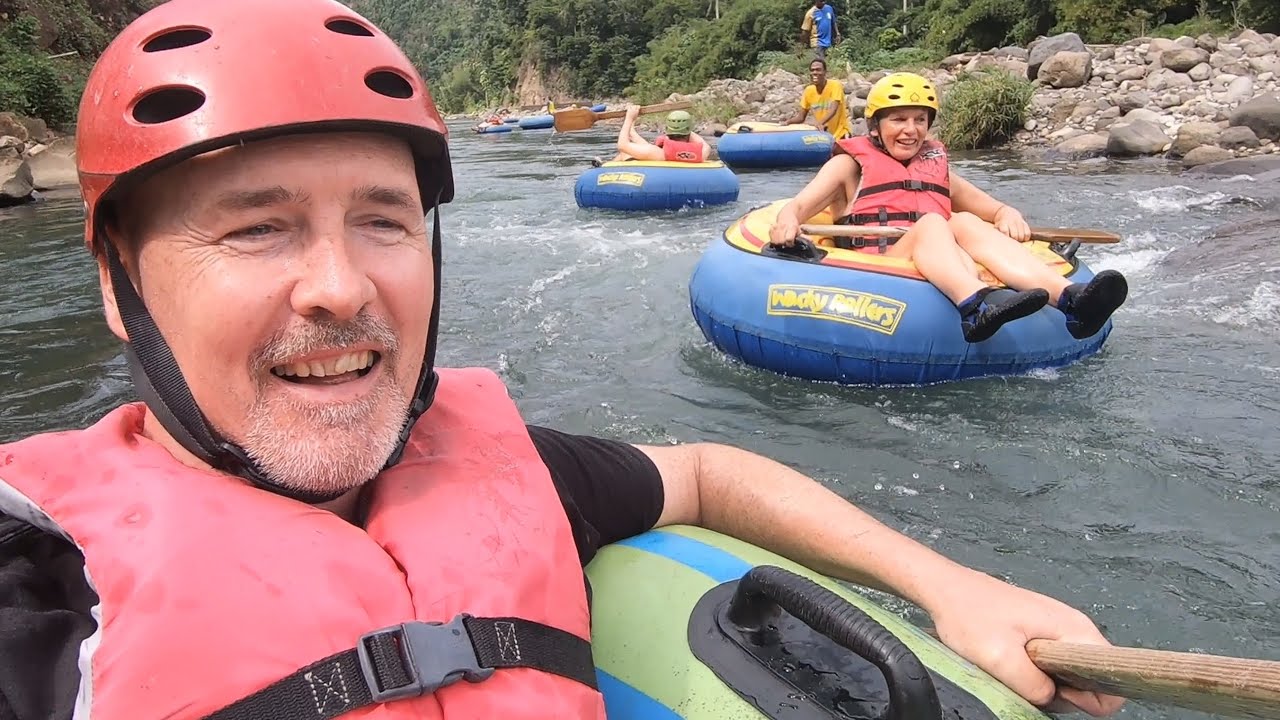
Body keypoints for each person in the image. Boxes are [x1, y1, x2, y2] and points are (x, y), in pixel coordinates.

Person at [0, 2, 1126, 719]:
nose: (340, 287)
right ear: (119, 286)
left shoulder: (510, 471)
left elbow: (702, 472)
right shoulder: (36, 593)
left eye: (385, 222)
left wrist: (946, 585)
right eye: (257, 228)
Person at [769, 72, 1129, 343]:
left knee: (965, 220)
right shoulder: (848, 166)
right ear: (875, 127)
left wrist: (1009, 215)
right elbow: (797, 207)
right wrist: (787, 221)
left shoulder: (935, 167)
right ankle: (975, 307)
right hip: (880, 270)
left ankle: (1071, 302)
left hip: (941, 259)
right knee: (934, 223)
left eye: (920, 120)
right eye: (898, 119)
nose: (911, 130)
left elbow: (994, 209)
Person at [595, 104, 711, 166]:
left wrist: (629, 118)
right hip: (673, 170)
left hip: (656, 169)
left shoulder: (657, 153)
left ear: (667, 130)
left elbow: (622, 145)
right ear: (689, 131)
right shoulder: (701, 153)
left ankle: (606, 167)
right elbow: (705, 145)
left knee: (624, 153)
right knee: (640, 147)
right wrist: (632, 128)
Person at [781, 57, 852, 139]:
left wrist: (820, 123)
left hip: (840, 133)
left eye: (818, 70)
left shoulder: (835, 85)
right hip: (824, 134)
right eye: (812, 70)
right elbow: (801, 117)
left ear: (825, 72)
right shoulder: (808, 90)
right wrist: (787, 122)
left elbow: (833, 109)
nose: (815, 72)